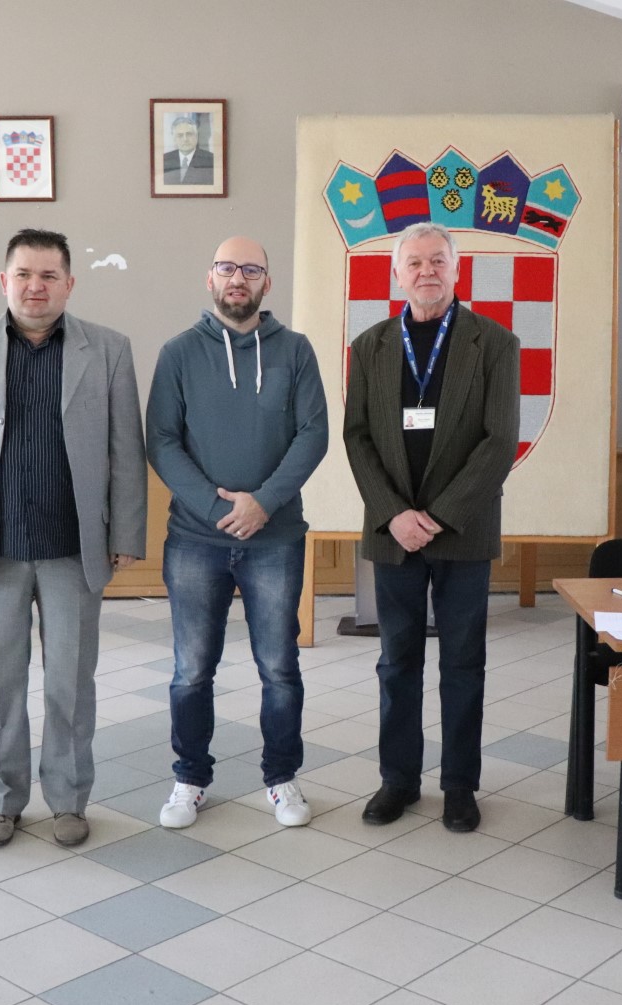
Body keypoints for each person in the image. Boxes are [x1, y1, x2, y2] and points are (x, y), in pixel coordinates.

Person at [0, 228, 146, 849]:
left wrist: (127, 530)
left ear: (69, 284)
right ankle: (1, 802)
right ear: (4, 281)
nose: (35, 287)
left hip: (74, 548)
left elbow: (127, 449)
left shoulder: (109, 349)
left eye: (48, 276)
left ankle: (68, 799)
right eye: (23, 274)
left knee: (70, 683)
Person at [146, 237, 328, 828]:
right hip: (195, 540)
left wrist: (263, 504)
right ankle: (189, 779)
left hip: (275, 540)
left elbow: (314, 434)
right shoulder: (178, 353)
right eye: (227, 268)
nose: (238, 278)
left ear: (266, 283)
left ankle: (282, 780)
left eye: (251, 270)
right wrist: (213, 507)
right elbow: (161, 441)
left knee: (279, 667)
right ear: (210, 278)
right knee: (191, 670)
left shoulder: (295, 351)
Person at [343, 221, 520, 833]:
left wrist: (440, 516)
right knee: (397, 661)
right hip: (392, 531)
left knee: (463, 663)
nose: (427, 271)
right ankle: (398, 780)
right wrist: (395, 513)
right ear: (397, 274)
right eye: (414, 262)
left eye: (438, 261)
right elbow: (357, 437)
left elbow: (500, 440)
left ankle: (459, 786)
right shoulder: (369, 346)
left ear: (456, 269)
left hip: (462, 530)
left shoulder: (494, 343)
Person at [162, 117, 214, 185]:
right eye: (180, 135)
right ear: (174, 139)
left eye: (189, 134)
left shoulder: (211, 160)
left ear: (196, 136)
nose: (185, 139)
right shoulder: (164, 160)